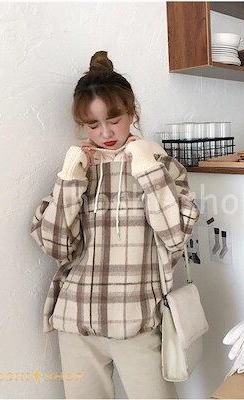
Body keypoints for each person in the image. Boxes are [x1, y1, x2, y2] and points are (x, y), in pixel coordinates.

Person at [30, 50, 200, 399]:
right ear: (81, 125)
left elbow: (175, 236)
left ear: (131, 113)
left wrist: (147, 167)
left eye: (114, 120)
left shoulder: (162, 166)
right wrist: (69, 179)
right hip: (76, 321)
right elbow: (55, 246)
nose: (105, 132)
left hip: (137, 321)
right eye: (93, 125)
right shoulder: (80, 169)